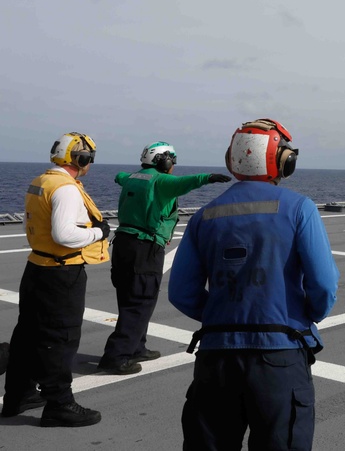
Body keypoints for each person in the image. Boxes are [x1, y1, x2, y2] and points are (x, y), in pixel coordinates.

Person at [168, 119, 339, 450]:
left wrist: (225, 316)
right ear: (283, 161)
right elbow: (324, 285)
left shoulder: (204, 216)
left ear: (232, 160)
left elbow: (181, 293)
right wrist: (306, 316)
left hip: (216, 358)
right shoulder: (299, 209)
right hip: (280, 359)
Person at [2, 133, 109, 427]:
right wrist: (100, 233)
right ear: (81, 159)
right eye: (89, 158)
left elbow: (29, 223)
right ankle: (59, 404)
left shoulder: (40, 181)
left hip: (36, 266)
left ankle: (18, 396)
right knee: (60, 339)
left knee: (27, 335)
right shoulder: (66, 189)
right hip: (61, 274)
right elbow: (65, 235)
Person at [98, 142, 231, 375]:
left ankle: (137, 346)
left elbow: (119, 176)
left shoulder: (132, 178)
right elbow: (186, 182)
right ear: (164, 161)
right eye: (172, 162)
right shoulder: (161, 182)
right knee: (141, 302)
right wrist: (209, 177)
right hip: (145, 247)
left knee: (129, 298)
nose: (173, 168)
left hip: (123, 245)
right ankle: (116, 356)